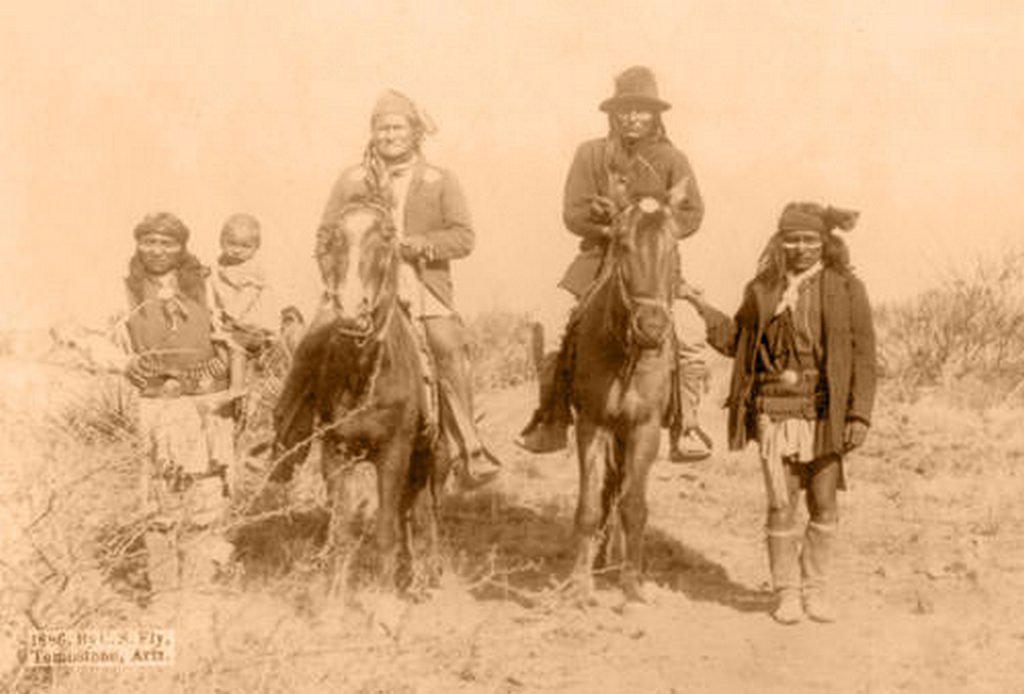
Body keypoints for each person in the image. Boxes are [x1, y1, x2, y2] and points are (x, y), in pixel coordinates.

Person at [273, 89, 498, 489]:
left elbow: (463, 237)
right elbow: (325, 235)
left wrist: (419, 245)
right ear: (372, 133)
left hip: (420, 282)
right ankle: (286, 443)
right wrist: (336, 281)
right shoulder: (351, 179)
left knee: (447, 347)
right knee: (311, 343)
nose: (390, 135)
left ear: (415, 132)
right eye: (382, 128)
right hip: (358, 282)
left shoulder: (439, 180)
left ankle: (468, 446)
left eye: (398, 127)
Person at [682, 201, 877, 624]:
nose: (802, 247)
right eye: (793, 239)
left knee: (824, 502)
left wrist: (859, 415)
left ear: (825, 242)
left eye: (810, 239)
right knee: (781, 503)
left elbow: (864, 355)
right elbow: (738, 341)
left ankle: (816, 591)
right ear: (781, 242)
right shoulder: (762, 289)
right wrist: (700, 306)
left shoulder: (846, 288)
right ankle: (786, 593)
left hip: (827, 411)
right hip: (773, 408)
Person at [518, 65, 707, 455]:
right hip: (596, 260)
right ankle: (551, 416)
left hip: (654, 267)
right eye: (626, 109)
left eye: (642, 109)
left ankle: (688, 425)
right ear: (613, 113)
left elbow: (693, 212)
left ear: (655, 114)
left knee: (689, 329)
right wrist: (612, 225)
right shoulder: (590, 154)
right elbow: (572, 212)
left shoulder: (673, 158)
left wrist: (658, 226)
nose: (633, 117)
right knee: (549, 318)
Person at [121, 212, 236, 601]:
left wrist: (225, 378)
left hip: (205, 405)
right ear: (138, 245)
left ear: (181, 247)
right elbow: (98, 339)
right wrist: (128, 363)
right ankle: (165, 592)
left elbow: (230, 333)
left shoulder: (204, 284)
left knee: (206, 495)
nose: (157, 250)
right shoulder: (126, 289)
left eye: (167, 243)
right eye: (149, 242)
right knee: (159, 499)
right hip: (156, 405)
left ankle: (200, 588)